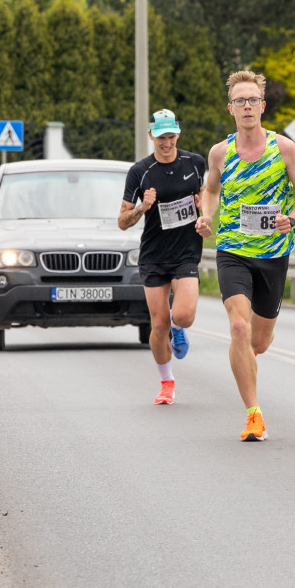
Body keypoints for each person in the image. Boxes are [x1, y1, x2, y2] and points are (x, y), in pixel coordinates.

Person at [195, 71, 295, 441]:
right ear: (230, 108)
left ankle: (247, 357)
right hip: (233, 249)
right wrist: (206, 215)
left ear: (262, 106)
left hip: (273, 253)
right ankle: (253, 414)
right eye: (239, 101)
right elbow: (211, 191)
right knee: (237, 326)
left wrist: (290, 219)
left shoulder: (284, 149)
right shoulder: (220, 152)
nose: (246, 106)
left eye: (252, 100)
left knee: (258, 342)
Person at [119, 109, 206, 405]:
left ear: (178, 134)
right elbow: (122, 220)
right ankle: (166, 383)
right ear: (151, 136)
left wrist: (203, 210)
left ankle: (178, 328)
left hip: (186, 253)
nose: (166, 143)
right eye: (160, 137)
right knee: (157, 327)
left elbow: (206, 200)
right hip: (154, 255)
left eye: (170, 137)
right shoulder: (140, 171)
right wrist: (143, 207)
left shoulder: (195, 164)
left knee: (183, 315)